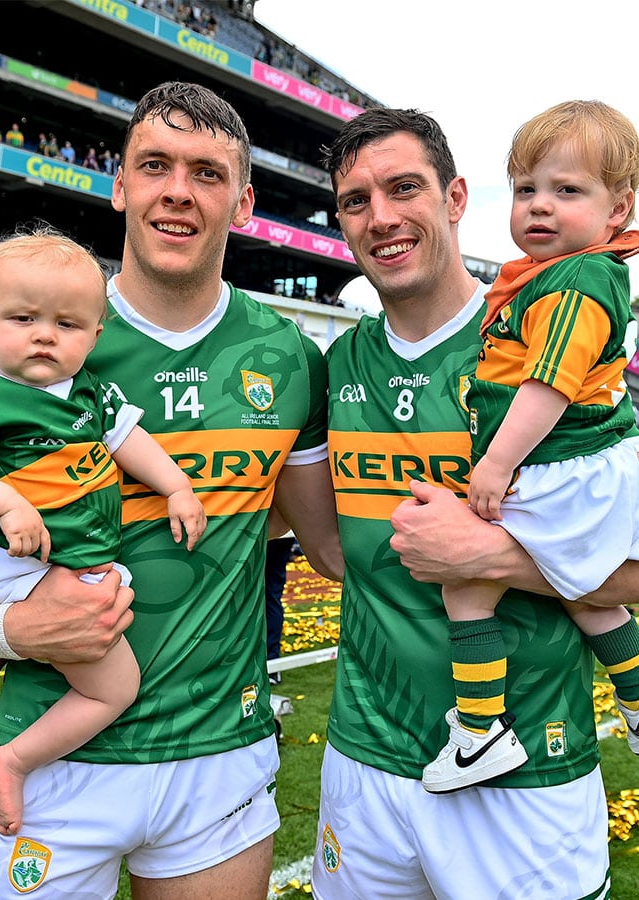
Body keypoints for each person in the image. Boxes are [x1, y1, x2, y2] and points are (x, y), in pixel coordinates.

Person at [0, 81, 342, 899]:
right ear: (120, 185)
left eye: (206, 172)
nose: (178, 190)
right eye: (155, 165)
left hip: (219, 758)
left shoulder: (291, 358)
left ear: (244, 202)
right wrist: (7, 628)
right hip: (52, 757)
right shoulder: (33, 340)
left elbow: (328, 545)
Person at [312, 105, 639, 900]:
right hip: (363, 759)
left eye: (404, 188)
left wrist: (492, 558)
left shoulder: (540, 330)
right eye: (355, 201)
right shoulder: (338, 360)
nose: (381, 217)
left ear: (456, 198)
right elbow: (328, 546)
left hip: (530, 772)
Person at [422, 100, 639, 793]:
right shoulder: (564, 275)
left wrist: (496, 462)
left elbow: (549, 384)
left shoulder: (574, 282)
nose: (539, 205)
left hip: (560, 465)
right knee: (588, 597)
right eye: (526, 189)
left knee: (465, 583)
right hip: (582, 464)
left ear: (618, 209)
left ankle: (480, 730)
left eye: (567, 190)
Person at [0, 227, 207, 838]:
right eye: (23, 318)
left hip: (71, 569)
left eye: (67, 324)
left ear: (95, 335)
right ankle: (12, 760)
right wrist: (6, 500)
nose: (44, 335)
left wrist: (177, 488)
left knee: (112, 681)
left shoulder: (87, 390)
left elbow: (128, 437)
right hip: (14, 571)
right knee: (115, 689)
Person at [265, 533, 296, 686]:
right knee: (271, 597)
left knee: (267, 597)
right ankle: (272, 664)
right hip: (282, 532)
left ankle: (271, 664)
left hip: (259, 532)